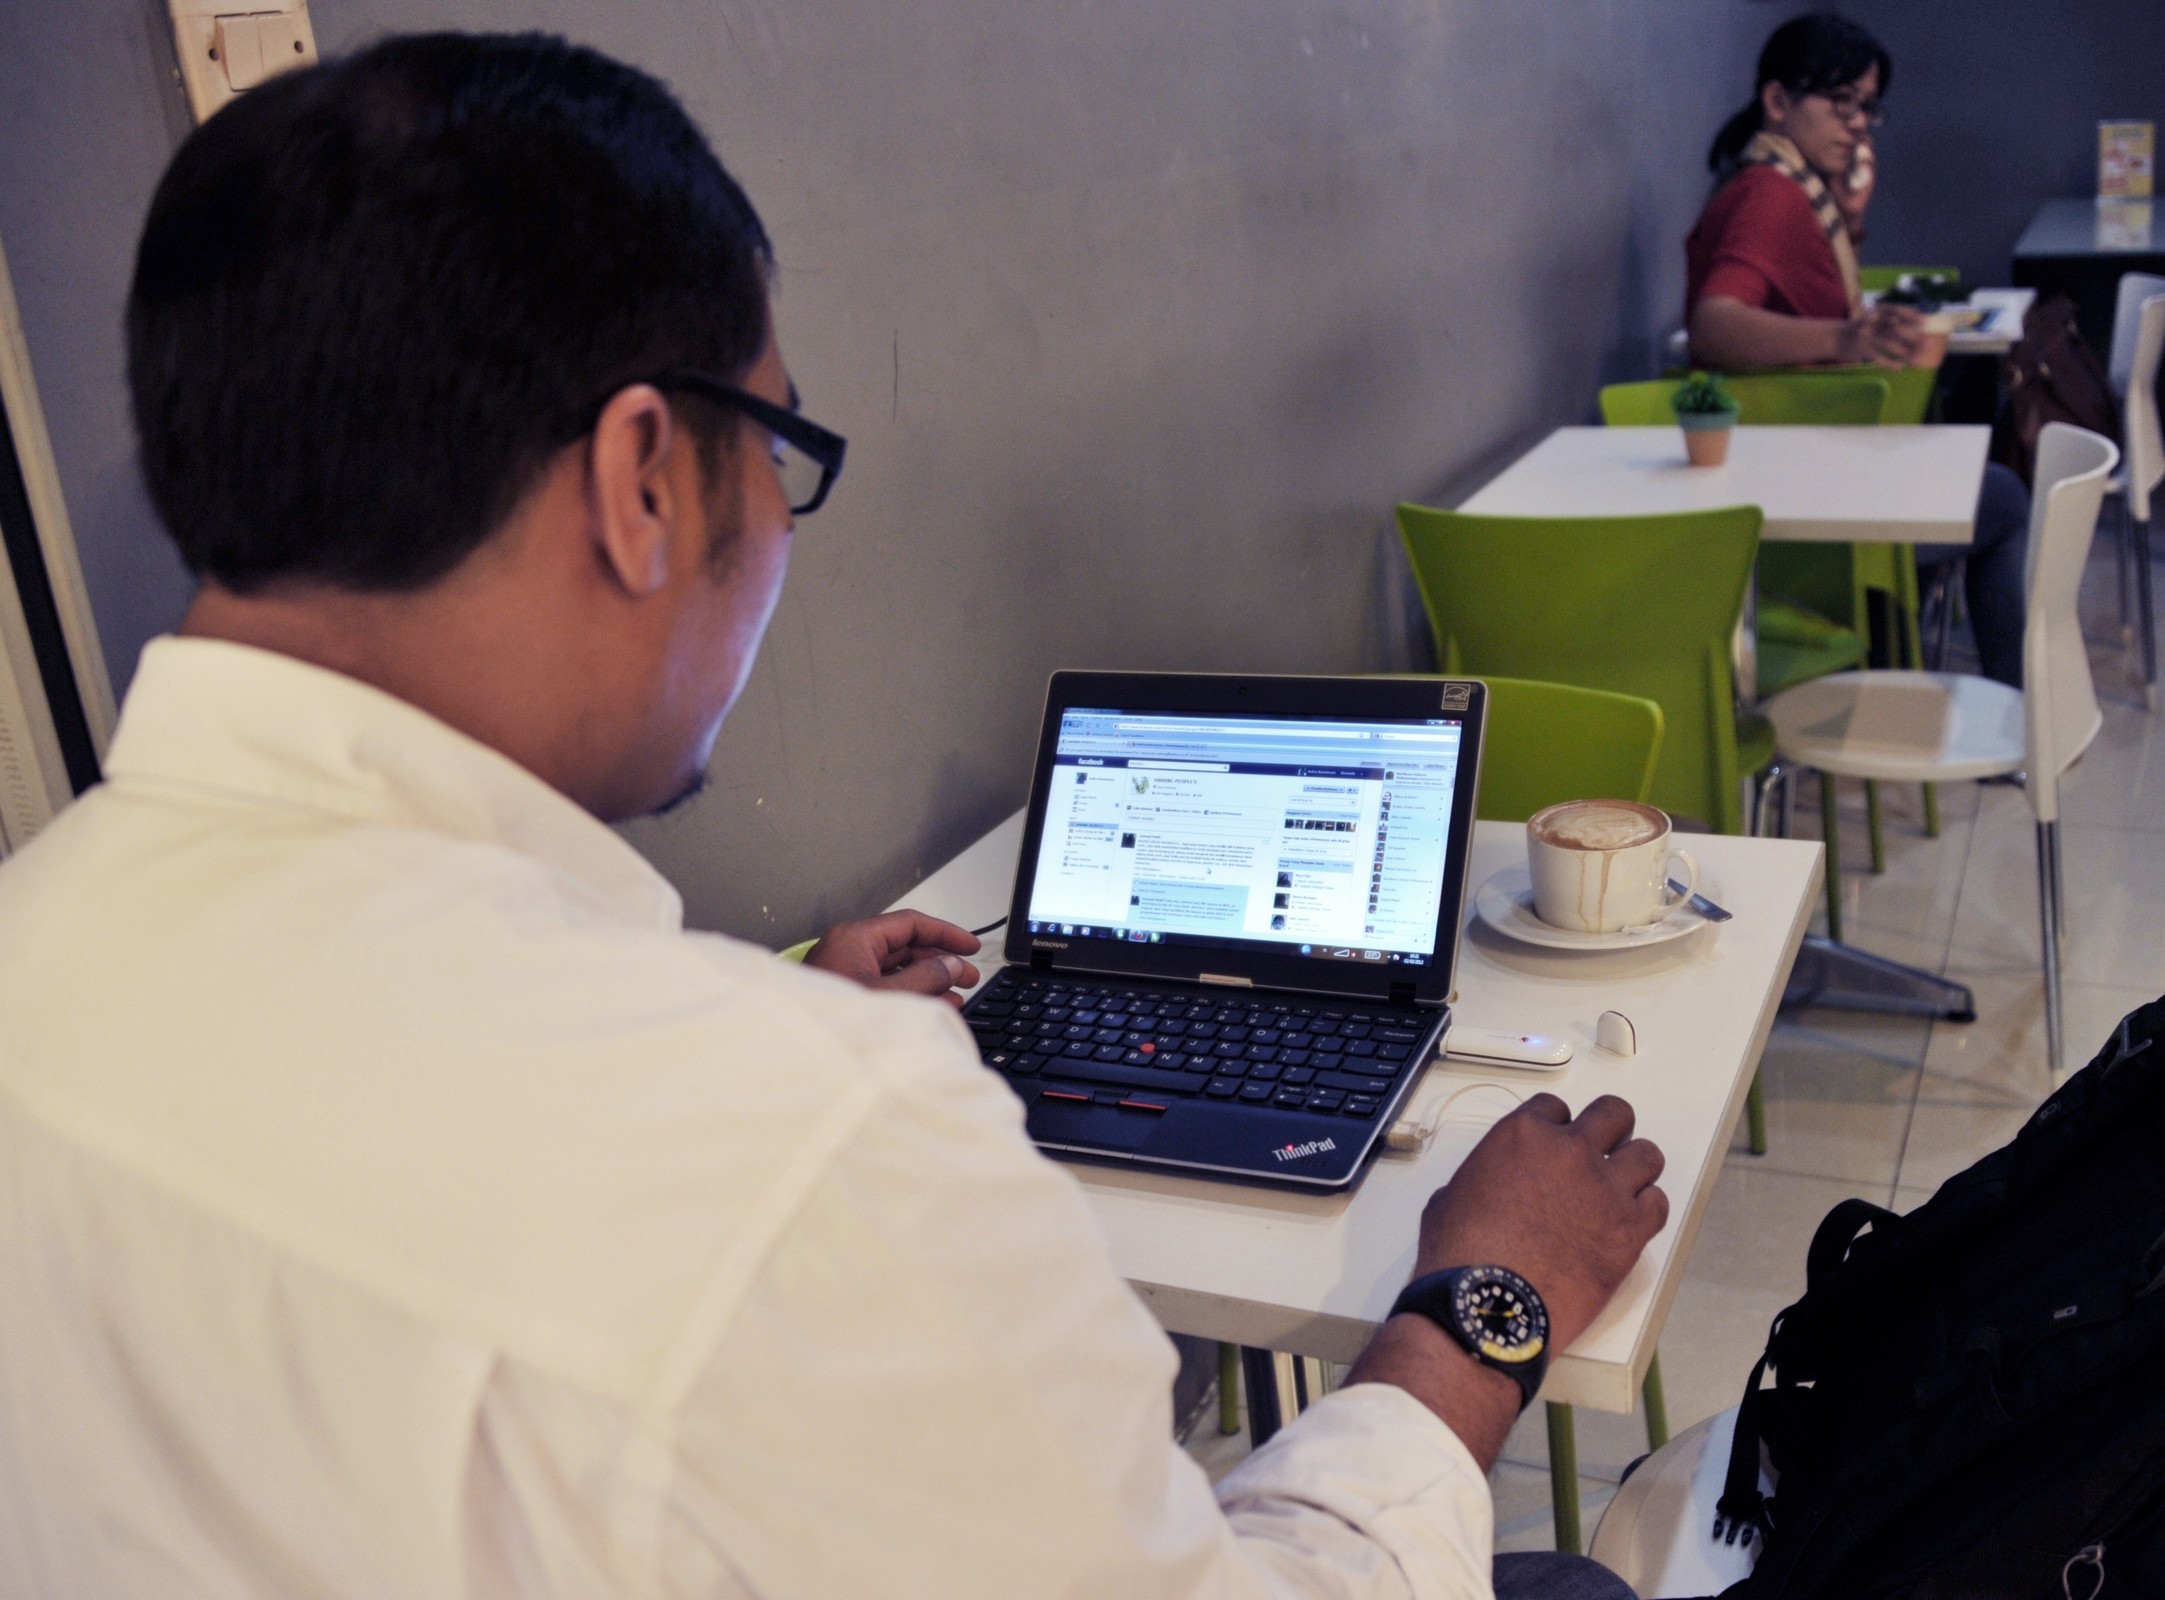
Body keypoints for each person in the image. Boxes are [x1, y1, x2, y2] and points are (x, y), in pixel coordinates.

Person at [0, 33, 1667, 1600]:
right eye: (777, 446)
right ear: (643, 480)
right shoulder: (816, 1156)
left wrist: (770, 1004)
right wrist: (1479, 1305)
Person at [1684, 13, 2030, 688]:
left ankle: (1890, 659)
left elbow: (1797, 297)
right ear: (1777, 101)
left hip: (1791, 466)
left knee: (1980, 484)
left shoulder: (1779, 184)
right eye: (1840, 103)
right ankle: (2004, 705)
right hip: (1801, 488)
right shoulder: (1770, 196)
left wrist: (1850, 218)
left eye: (1867, 108)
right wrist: (1846, 337)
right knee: (2005, 498)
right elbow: (1713, 324)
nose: (1858, 125)